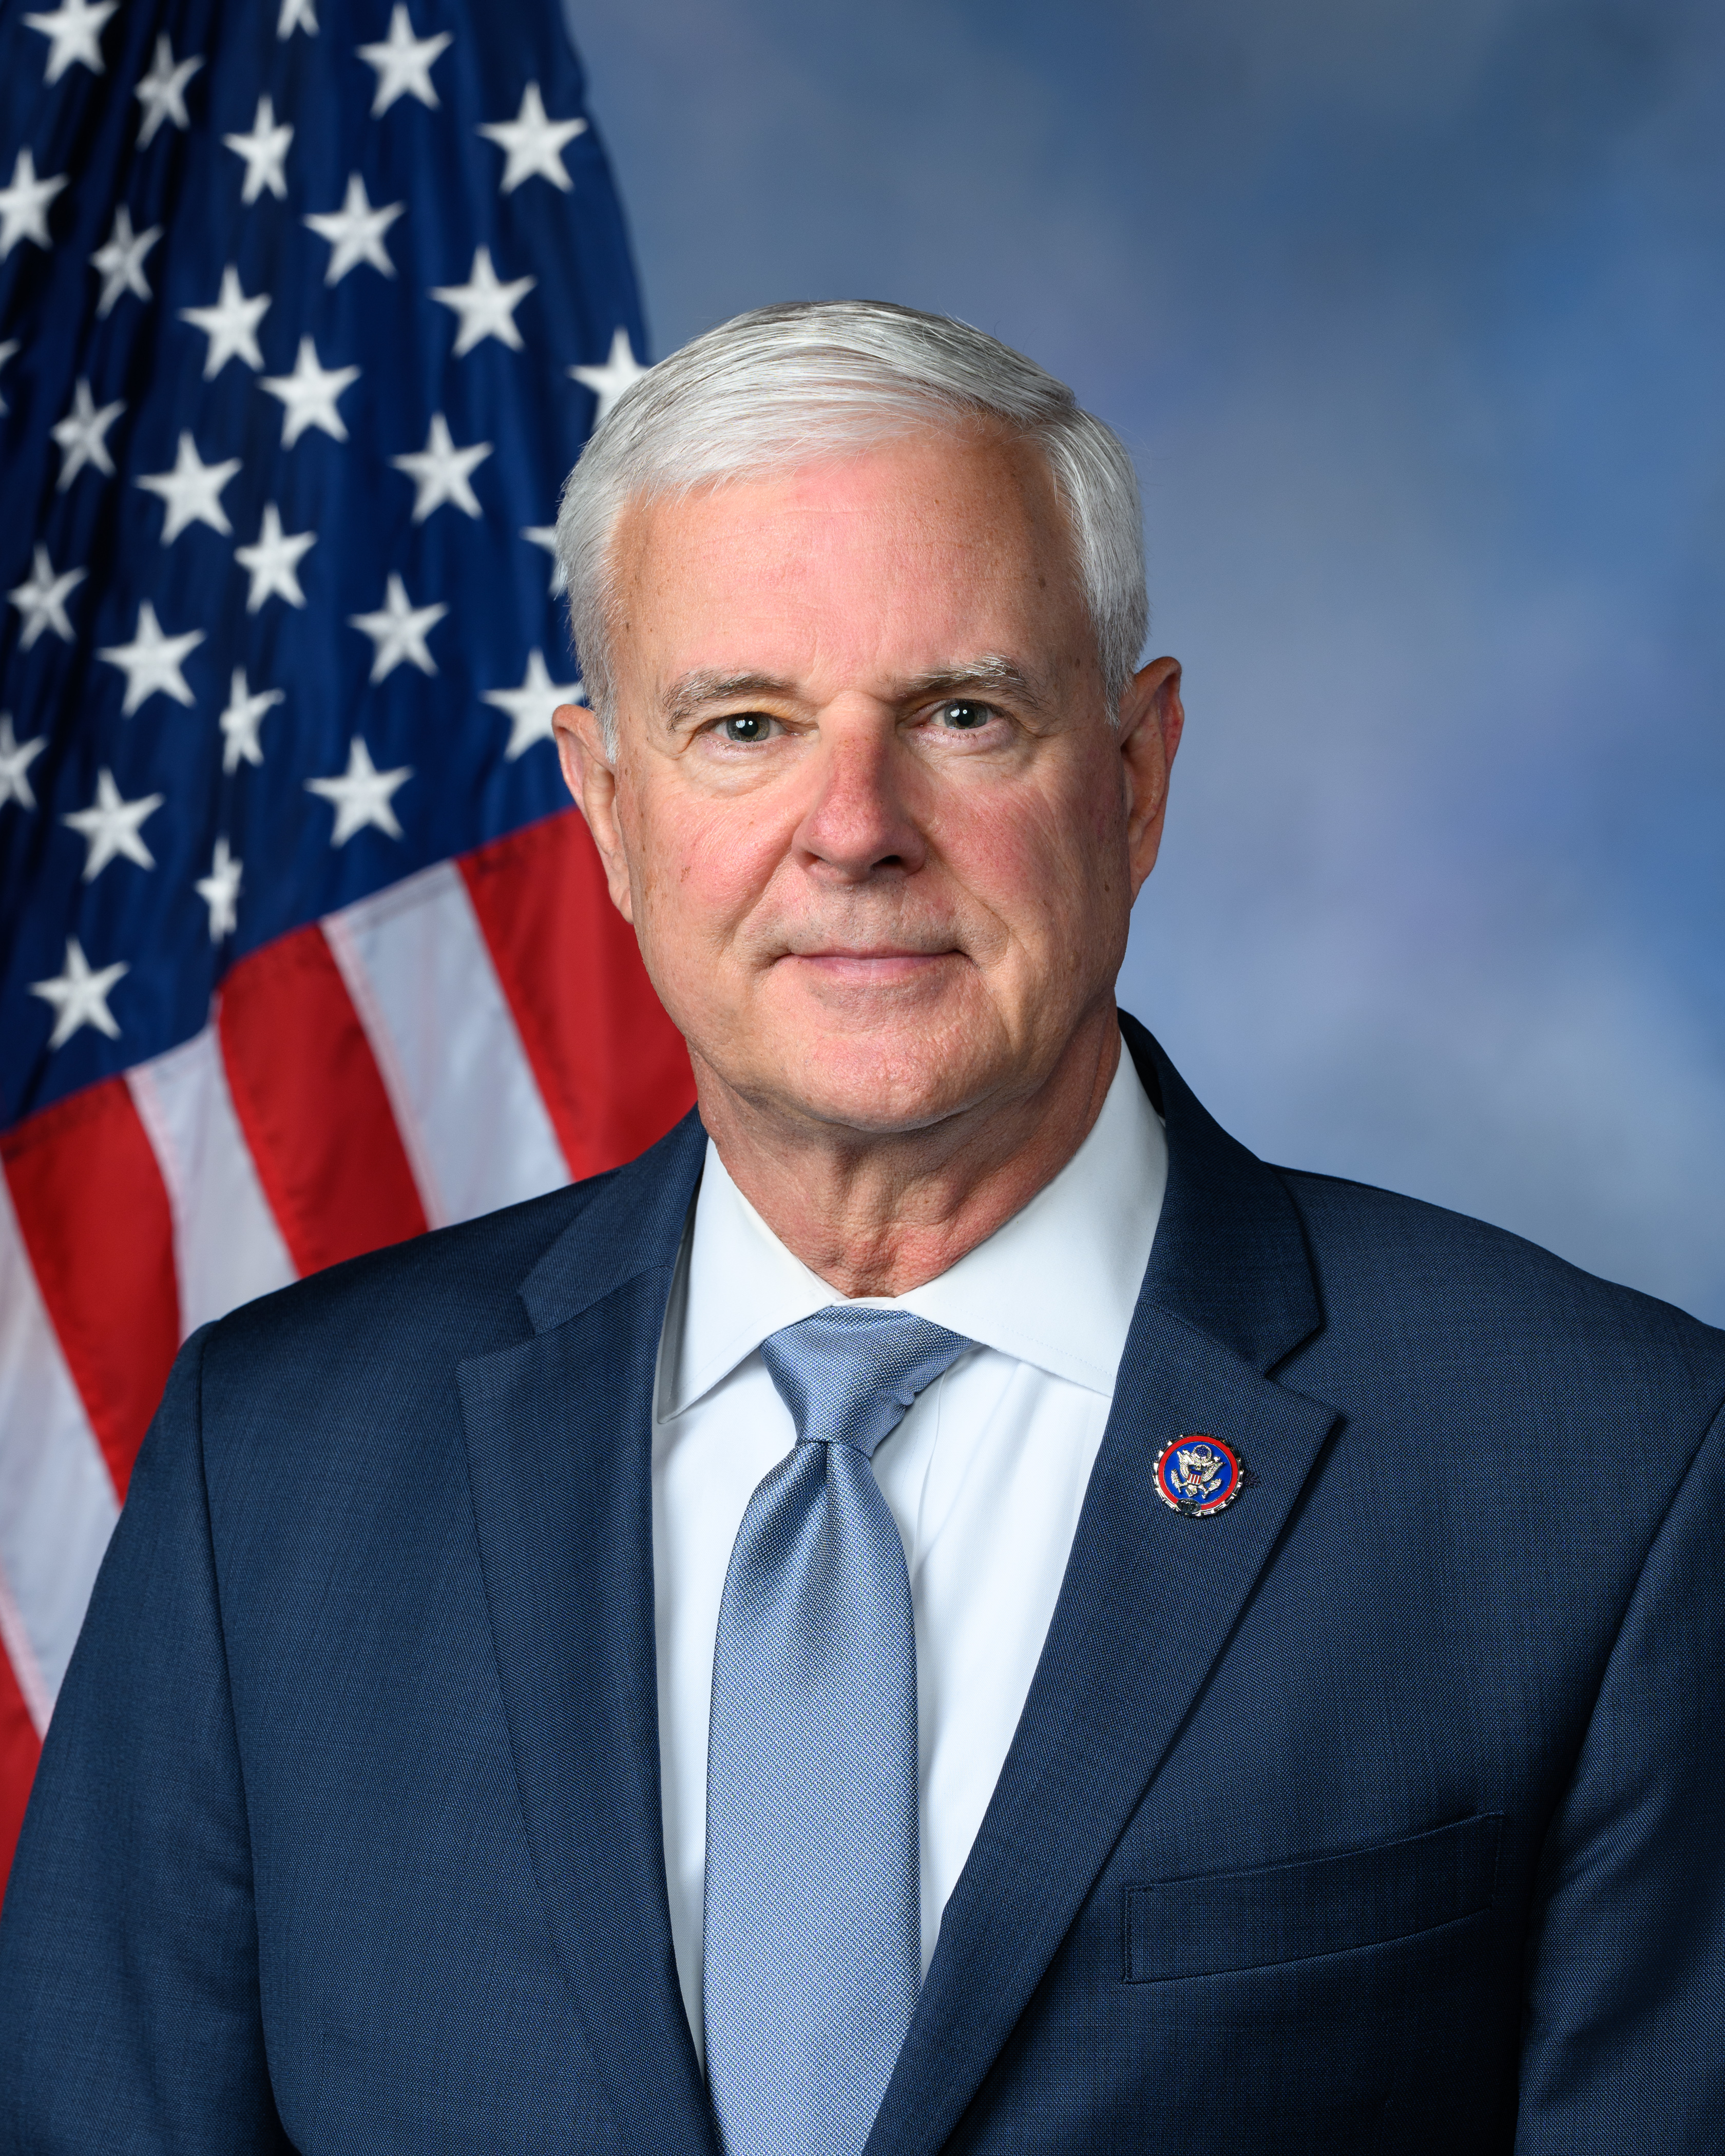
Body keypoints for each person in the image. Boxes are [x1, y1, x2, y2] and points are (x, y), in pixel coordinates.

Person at [1, 301, 1721, 2155]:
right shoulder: (274, 1472)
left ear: (1135, 776)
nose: (854, 829)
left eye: (962, 716)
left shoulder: (1610, 1474)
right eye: (745, 726)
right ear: (605, 808)